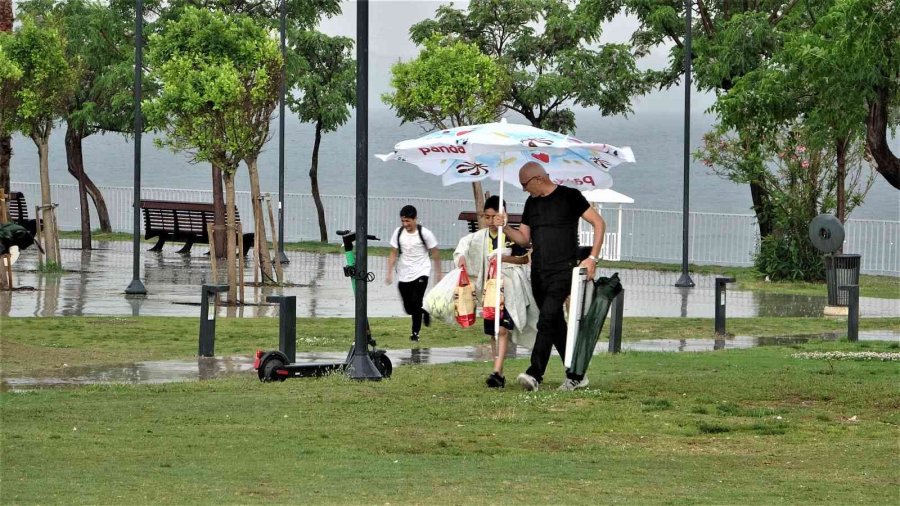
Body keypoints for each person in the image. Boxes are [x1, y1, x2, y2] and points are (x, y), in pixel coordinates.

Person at [499, 161, 607, 392]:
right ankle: (576, 374)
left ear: (538, 179)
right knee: (555, 324)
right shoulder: (532, 203)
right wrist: (505, 226)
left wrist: (592, 258)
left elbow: (599, 223)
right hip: (538, 271)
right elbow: (524, 240)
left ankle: (534, 373)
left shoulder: (570, 196)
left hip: (563, 270)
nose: (525, 190)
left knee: (546, 319)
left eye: (525, 185)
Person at [453, 196, 538, 389]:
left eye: (494, 216)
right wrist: (462, 259)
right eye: (487, 217)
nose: (491, 221)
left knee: (502, 329)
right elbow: (463, 248)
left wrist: (505, 259)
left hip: (508, 287)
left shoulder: (511, 236)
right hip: (490, 290)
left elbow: (525, 258)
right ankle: (497, 369)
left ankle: (498, 372)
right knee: (494, 332)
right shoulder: (479, 238)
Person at [386, 205, 441, 342]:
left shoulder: (425, 233)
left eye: (408, 221)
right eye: (403, 221)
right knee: (409, 309)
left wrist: (438, 274)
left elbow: (435, 253)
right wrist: (389, 273)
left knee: (416, 301)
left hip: (422, 271)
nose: (405, 224)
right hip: (404, 273)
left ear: (415, 219)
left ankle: (415, 334)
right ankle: (424, 312)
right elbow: (393, 253)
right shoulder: (398, 233)